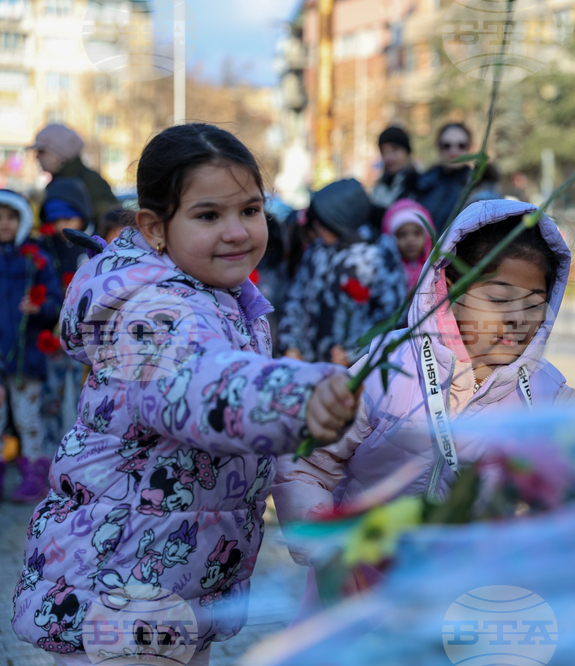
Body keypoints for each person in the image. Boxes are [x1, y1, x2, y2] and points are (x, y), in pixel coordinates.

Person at [11, 123, 359, 665]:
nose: (237, 232)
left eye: (250, 210)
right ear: (155, 228)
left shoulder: (226, 299)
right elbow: (196, 386)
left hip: (171, 592)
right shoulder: (152, 311)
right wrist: (296, 396)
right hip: (119, 595)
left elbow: (254, 441)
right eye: (208, 215)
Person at [271, 200, 575, 608]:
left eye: (534, 303)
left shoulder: (549, 398)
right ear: (451, 288)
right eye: (500, 299)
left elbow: (564, 507)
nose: (518, 319)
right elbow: (307, 462)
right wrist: (332, 551)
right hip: (356, 596)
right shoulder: (389, 366)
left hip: (468, 606)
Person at [279, 179, 407, 366]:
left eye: (323, 221)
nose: (317, 228)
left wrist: (355, 352)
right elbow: (296, 298)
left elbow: (392, 313)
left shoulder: (378, 251)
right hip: (308, 365)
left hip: (354, 369)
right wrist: (291, 345)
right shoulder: (317, 249)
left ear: (340, 218)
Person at [0, 189, 62, 503]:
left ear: (23, 220)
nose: (4, 223)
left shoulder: (36, 258)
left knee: (27, 418)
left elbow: (55, 302)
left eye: (11, 217)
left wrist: (40, 308)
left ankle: (34, 474)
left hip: (26, 354)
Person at [37, 178, 95, 462]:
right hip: (51, 335)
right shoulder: (42, 248)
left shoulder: (93, 247)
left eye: (69, 218)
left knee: (85, 394)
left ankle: (84, 450)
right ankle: (50, 451)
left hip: (88, 336)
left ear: (82, 214)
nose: (62, 225)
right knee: (52, 394)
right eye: (55, 219)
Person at [30, 124, 118, 220]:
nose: (37, 157)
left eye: (42, 151)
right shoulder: (57, 183)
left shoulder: (90, 181)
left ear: (61, 154)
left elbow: (110, 222)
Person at [414, 122, 474, 232]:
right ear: (439, 147)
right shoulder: (422, 183)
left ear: (469, 147)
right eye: (447, 145)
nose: (453, 151)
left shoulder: (479, 184)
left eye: (461, 145)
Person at [383, 198, 433, 291]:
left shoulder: (434, 269)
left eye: (417, 233)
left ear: (427, 236)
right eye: (402, 235)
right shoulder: (385, 272)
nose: (410, 240)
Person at [370, 126, 419, 218]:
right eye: (384, 151)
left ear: (406, 152)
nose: (388, 157)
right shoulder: (379, 186)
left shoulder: (420, 183)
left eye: (394, 149)